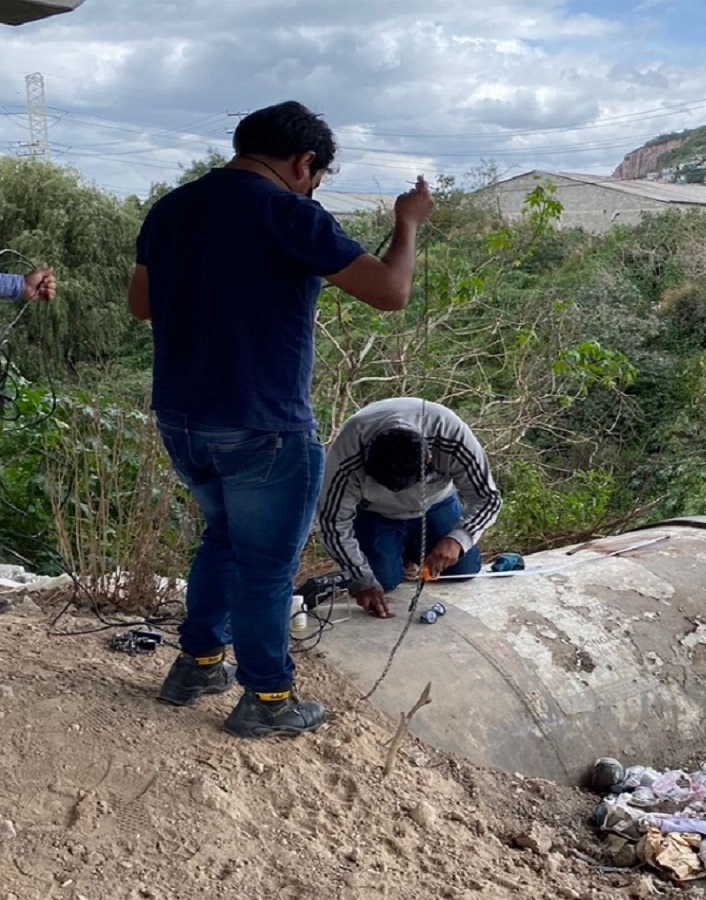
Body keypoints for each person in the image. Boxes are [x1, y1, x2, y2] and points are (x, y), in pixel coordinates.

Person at [128, 100, 433, 739]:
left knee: (223, 540)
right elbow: (391, 292)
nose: (314, 186)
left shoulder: (171, 208)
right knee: (267, 566)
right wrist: (407, 224)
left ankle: (197, 665)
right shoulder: (291, 213)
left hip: (183, 418)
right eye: (318, 176)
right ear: (303, 163)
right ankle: (268, 698)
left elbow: (141, 306)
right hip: (264, 425)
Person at [317, 398, 502, 619]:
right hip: (376, 514)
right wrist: (361, 578)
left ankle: (411, 550)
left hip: (436, 504)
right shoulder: (348, 452)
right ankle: (397, 556)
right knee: (380, 582)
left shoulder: (451, 434)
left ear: (429, 459)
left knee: (462, 571)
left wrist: (459, 539)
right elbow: (332, 522)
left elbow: (488, 498)